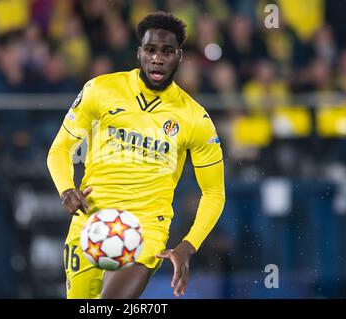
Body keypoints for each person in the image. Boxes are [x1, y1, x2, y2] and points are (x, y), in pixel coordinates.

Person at [47, 12, 225, 299]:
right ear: (139, 53)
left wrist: (189, 245)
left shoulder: (195, 119)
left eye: (167, 51)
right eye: (151, 50)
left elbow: (214, 193)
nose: (158, 58)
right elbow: (60, 149)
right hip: (91, 220)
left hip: (145, 229)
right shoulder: (100, 90)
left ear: (179, 56)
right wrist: (66, 188)